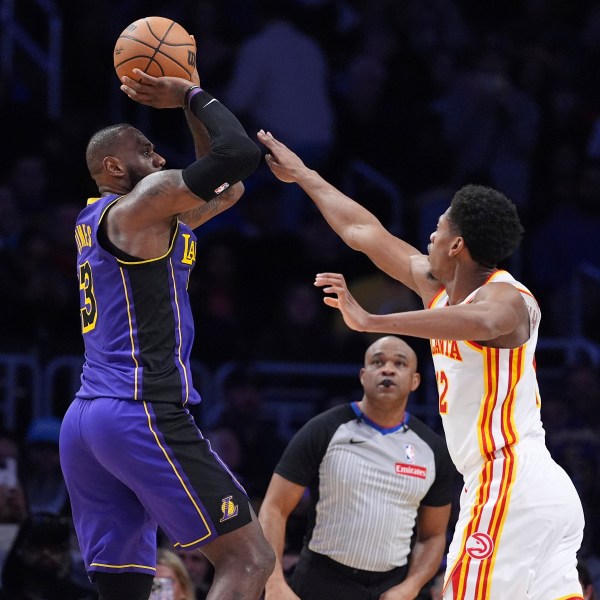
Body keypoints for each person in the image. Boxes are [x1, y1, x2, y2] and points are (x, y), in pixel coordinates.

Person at [257, 130, 585, 600]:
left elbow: (483, 320)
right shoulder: (437, 287)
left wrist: (372, 318)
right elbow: (363, 232)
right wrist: (305, 176)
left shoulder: (507, 296)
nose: (430, 234)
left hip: (508, 478)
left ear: (458, 246)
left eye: (440, 227)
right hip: (525, 490)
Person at [58, 56, 275, 600]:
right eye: (145, 151)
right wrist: (191, 96)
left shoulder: (131, 219)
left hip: (88, 418)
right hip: (140, 411)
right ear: (112, 167)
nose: (159, 157)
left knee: (125, 588)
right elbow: (241, 155)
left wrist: (190, 100)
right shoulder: (140, 209)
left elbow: (227, 188)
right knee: (250, 558)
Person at [259, 335, 455, 600]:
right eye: (378, 362)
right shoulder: (324, 429)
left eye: (400, 364)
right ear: (363, 375)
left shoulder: (432, 449)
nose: (388, 369)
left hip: (392, 586)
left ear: (415, 381)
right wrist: (273, 583)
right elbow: (274, 507)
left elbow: (432, 537)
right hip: (322, 579)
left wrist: (410, 587)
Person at [0, 512, 96, 600]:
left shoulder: (84, 597)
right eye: (36, 545)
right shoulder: (5, 595)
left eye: (54, 547)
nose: (46, 553)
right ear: (20, 550)